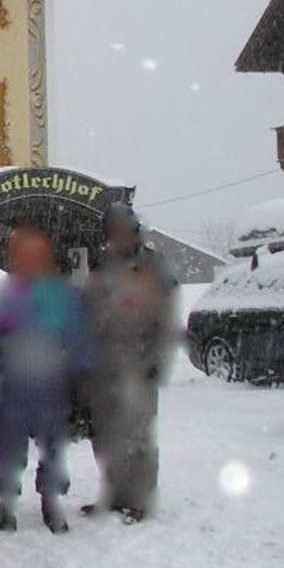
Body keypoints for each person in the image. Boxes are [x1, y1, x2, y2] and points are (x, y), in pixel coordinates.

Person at [0, 223, 91, 534]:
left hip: (50, 386)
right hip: (11, 388)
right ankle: (7, 505)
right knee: (8, 450)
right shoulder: (1, 297)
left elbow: (78, 341)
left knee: (53, 449)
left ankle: (51, 501)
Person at [82, 204, 178, 523]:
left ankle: (140, 499)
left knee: (137, 434)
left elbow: (166, 316)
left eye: (122, 229)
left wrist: (157, 358)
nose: (117, 236)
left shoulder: (153, 265)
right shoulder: (102, 264)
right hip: (105, 362)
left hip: (140, 360)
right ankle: (113, 495)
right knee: (106, 434)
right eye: (112, 231)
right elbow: (89, 308)